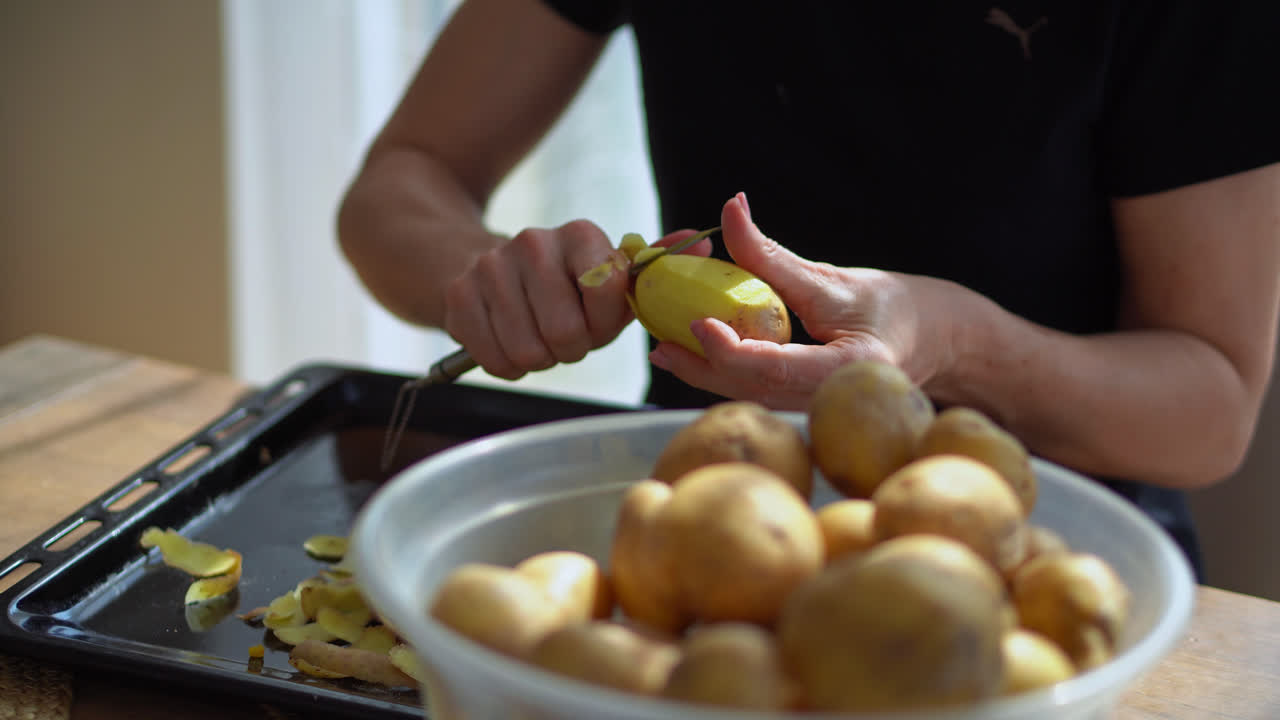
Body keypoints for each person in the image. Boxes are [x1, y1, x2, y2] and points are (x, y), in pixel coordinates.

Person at [337, 0, 1280, 577]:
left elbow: (1212, 405)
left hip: (1038, 559)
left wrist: (952, 342)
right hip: (708, 532)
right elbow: (402, 182)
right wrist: (487, 275)